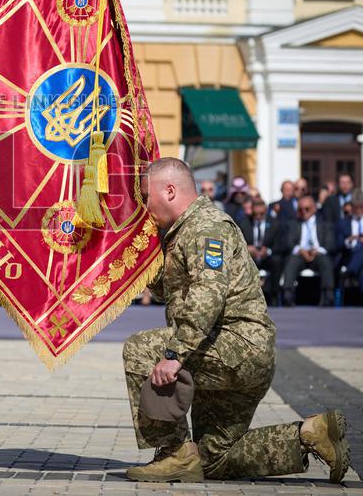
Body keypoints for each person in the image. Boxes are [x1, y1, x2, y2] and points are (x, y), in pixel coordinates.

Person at [121, 157, 349, 484]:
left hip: (234, 348)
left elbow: (207, 295)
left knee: (140, 350)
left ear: (169, 191)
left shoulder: (205, 227)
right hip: (232, 352)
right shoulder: (184, 230)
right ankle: (310, 434)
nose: (143, 206)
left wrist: (174, 356)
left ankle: (172, 452)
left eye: (146, 196)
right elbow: (166, 291)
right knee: (211, 459)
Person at [280, 196, 337, 306]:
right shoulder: (293, 224)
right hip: (300, 255)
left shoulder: (324, 224)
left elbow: (330, 244)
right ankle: (287, 295)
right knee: (292, 261)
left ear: (314, 208)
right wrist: (300, 250)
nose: (303, 212)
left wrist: (318, 250)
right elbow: (289, 243)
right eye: (300, 210)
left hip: (318, 254)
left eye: (307, 209)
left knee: (325, 261)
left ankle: (328, 295)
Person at [238, 198, 282, 306]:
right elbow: (237, 242)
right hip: (250, 257)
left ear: (266, 211)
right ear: (251, 211)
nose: (258, 216)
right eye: (255, 214)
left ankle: (274, 294)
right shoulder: (244, 223)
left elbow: (280, 245)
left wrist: (268, 251)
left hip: (266, 257)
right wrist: (247, 249)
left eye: (261, 214)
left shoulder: (275, 223)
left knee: (277, 261)